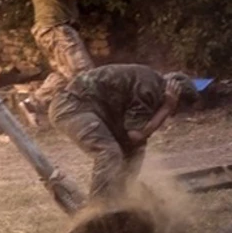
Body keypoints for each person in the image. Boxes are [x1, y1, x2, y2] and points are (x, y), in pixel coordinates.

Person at [49, 64, 198, 203]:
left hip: (88, 107)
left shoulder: (152, 84)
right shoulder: (150, 89)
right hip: (71, 106)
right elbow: (136, 134)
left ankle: (121, 201)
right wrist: (166, 107)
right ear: (175, 95)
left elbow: (134, 140)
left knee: (135, 151)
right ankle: (98, 213)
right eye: (177, 109)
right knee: (109, 153)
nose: (172, 115)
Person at [21, 0, 95, 128]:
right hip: (56, 28)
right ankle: (94, 117)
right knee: (85, 73)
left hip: (47, 28)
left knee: (63, 75)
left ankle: (32, 104)